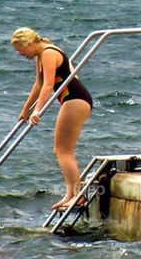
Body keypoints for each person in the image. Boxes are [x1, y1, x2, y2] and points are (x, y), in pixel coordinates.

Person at [11, 27, 93, 209]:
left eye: (20, 49)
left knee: (62, 150)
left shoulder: (48, 52)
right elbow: (38, 84)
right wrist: (25, 110)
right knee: (62, 150)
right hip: (72, 99)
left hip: (75, 99)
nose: (20, 54)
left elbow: (48, 86)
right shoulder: (41, 55)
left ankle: (78, 196)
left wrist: (36, 111)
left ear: (29, 43)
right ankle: (71, 194)